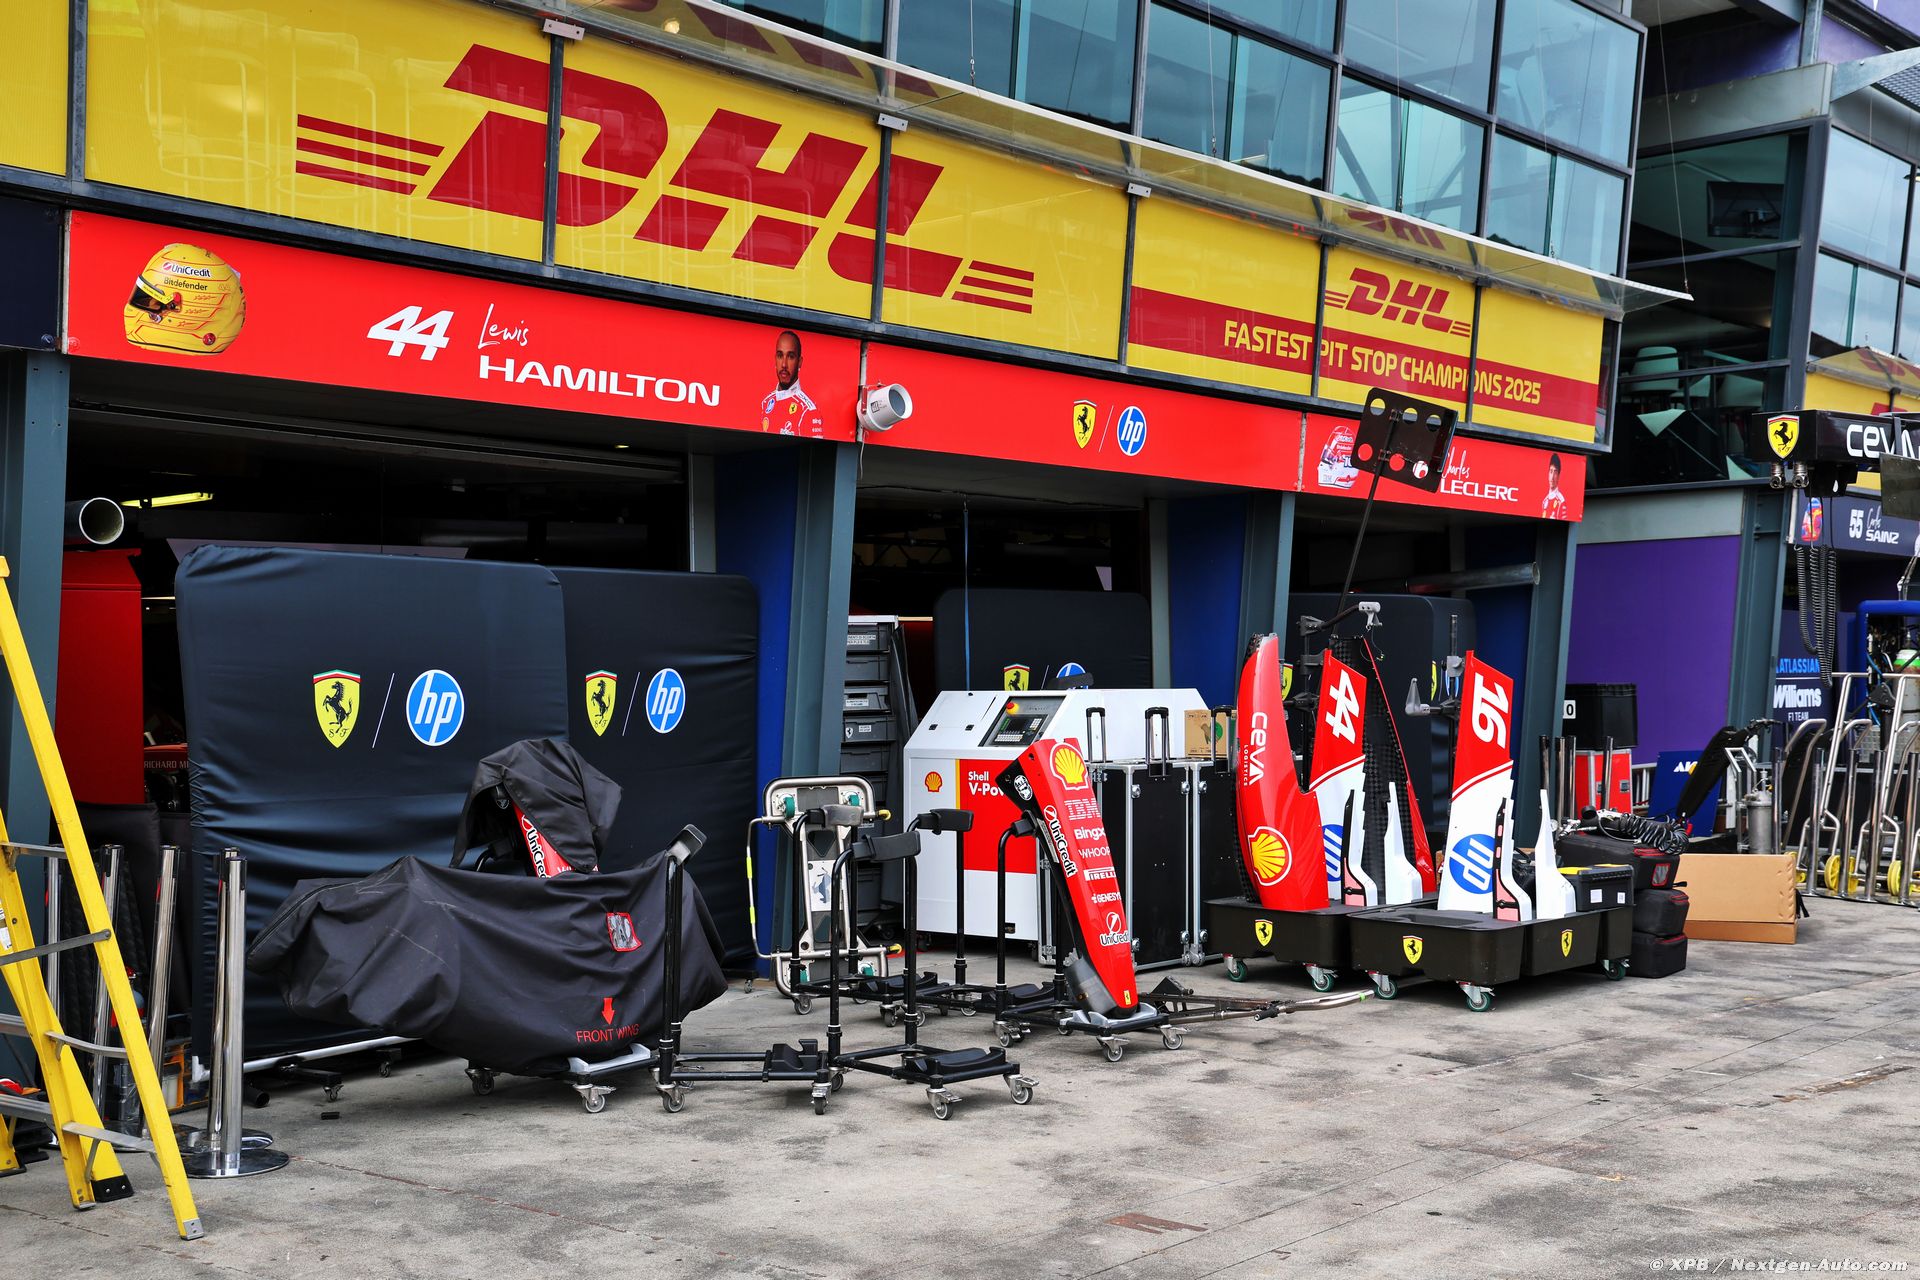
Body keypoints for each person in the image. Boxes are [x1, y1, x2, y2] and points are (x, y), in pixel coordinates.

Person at [762, 329, 823, 437]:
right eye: (780, 355)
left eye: (790, 357)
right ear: (775, 359)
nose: (784, 364)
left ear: (799, 362)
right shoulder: (766, 402)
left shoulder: (808, 411)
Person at [1542, 453, 1568, 518]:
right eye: (1551, 471)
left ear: (1558, 476)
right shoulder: (1544, 501)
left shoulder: (1561, 502)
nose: (1552, 477)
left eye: (1555, 472)